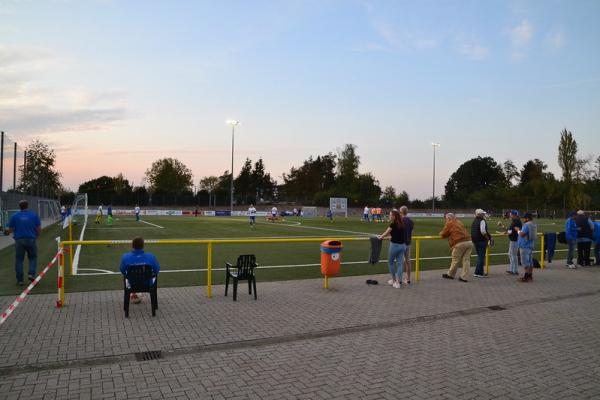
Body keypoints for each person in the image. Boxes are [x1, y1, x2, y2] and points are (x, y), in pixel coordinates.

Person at [6, 200, 41, 286]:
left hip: (19, 240)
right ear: (27, 206)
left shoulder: (14, 216)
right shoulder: (33, 215)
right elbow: (38, 228)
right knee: (33, 258)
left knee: (19, 260)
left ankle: (20, 280)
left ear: (19, 206)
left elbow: (9, 230)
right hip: (31, 239)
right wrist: (36, 236)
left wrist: (6, 232)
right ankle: (31, 274)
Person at [119, 237, 160, 303]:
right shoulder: (151, 256)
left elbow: (122, 270)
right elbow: (157, 270)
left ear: (132, 245)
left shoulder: (125, 257)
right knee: (154, 277)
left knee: (125, 278)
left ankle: (128, 301)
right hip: (147, 284)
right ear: (143, 246)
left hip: (131, 284)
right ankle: (154, 304)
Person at [378, 209, 406, 289]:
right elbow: (397, 235)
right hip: (402, 246)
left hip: (395, 246)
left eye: (390, 215)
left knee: (390, 262)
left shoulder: (393, 224)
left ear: (394, 216)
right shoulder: (402, 224)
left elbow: (385, 233)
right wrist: (390, 237)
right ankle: (398, 282)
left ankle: (394, 280)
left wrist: (380, 238)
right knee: (400, 264)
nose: (389, 216)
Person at [440, 213, 472, 282]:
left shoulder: (450, 223)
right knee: (466, 260)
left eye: (446, 219)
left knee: (455, 259)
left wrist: (441, 234)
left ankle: (450, 274)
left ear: (448, 218)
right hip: (469, 242)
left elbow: (443, 234)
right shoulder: (459, 221)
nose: (446, 220)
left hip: (459, 243)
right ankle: (464, 277)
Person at [516, 212, 536, 282]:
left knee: (525, 262)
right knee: (530, 262)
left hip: (524, 245)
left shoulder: (527, 225)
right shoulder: (533, 224)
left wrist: (518, 230)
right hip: (530, 245)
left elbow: (522, 234)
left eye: (524, 218)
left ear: (527, 218)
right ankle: (530, 276)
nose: (523, 219)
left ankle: (526, 277)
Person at [471, 209, 490, 277]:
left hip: (475, 241)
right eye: (483, 214)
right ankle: (478, 273)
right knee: (481, 257)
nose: (484, 215)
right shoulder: (482, 220)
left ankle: (478, 272)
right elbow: (483, 231)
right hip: (481, 241)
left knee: (479, 256)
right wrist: (487, 238)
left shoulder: (474, 220)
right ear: (480, 214)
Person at [400, 206, 414, 284]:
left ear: (401, 212)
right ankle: (408, 279)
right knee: (408, 261)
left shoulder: (400, 220)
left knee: (400, 262)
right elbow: (411, 233)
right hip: (408, 243)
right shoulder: (411, 221)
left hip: (401, 243)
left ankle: (400, 279)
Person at [505, 210, 522, 275]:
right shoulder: (515, 221)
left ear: (514, 215)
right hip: (513, 239)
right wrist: (506, 231)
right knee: (510, 254)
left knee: (513, 255)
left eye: (511, 214)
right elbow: (511, 230)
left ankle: (515, 270)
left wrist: (507, 232)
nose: (510, 215)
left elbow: (514, 231)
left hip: (515, 240)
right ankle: (512, 269)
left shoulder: (516, 221)